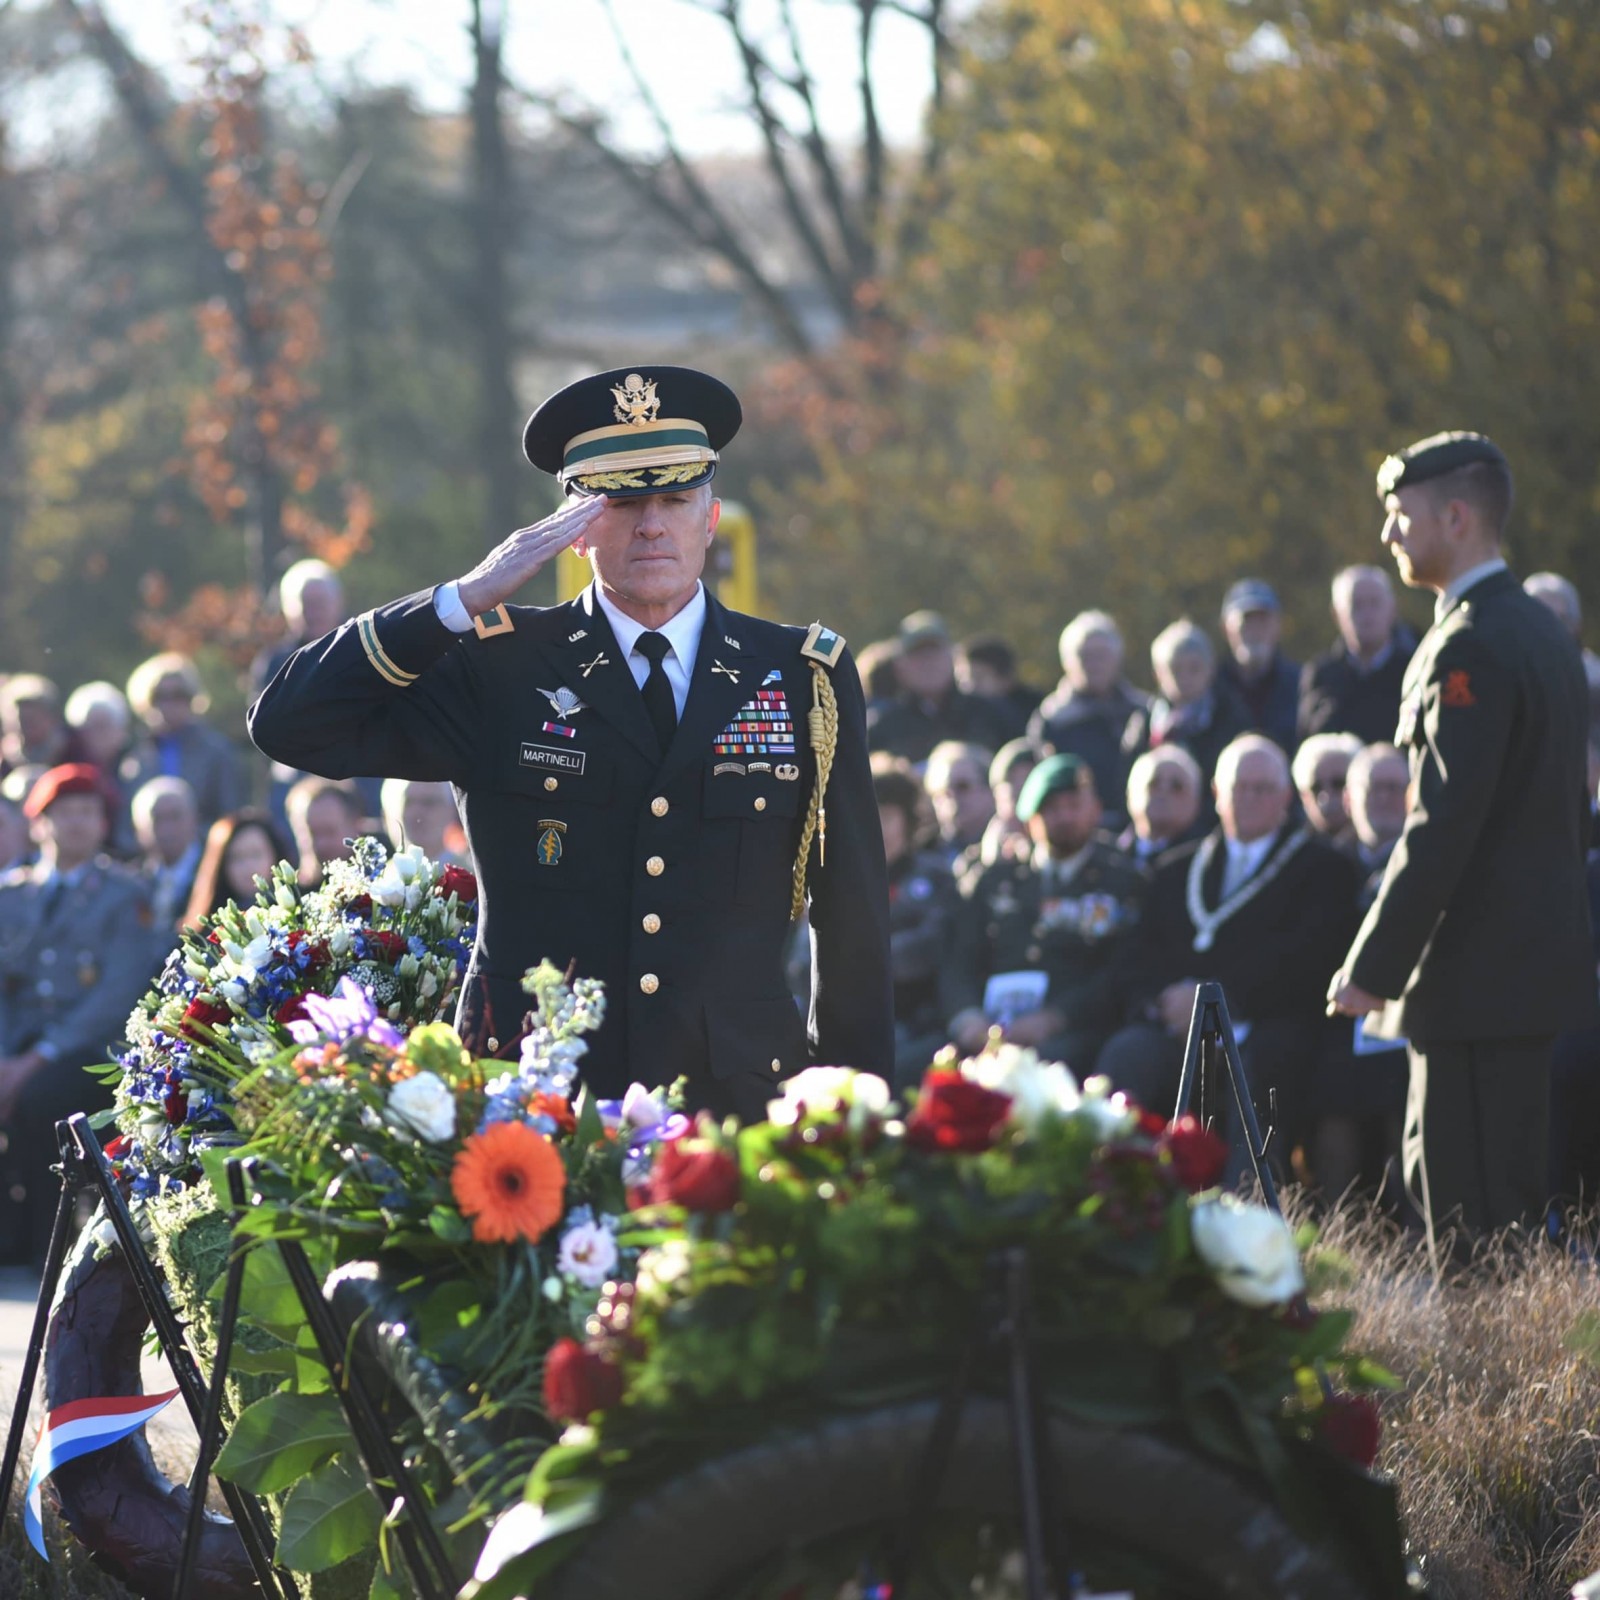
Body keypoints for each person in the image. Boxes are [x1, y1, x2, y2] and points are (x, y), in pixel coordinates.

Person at [250, 364, 892, 1117]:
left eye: (677, 499)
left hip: (737, 1103)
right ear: (577, 532)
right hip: (538, 1107)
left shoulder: (798, 674)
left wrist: (859, 1118)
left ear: (710, 521)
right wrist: (459, 601)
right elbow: (291, 721)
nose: (652, 523)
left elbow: (850, 917)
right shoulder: (501, 663)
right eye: (621, 503)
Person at [1329, 432, 1594, 1244]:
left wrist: (1371, 968)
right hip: (1525, 970)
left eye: (1400, 515)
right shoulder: (1542, 632)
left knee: (1463, 1212)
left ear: (1455, 516)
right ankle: (1513, 1370)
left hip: (1476, 979)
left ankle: (1485, 1376)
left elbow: (1443, 826)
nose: (1390, 535)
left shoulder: (1470, 642)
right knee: (1502, 1206)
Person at [1098, 735, 1359, 1169]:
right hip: (1176, 1027)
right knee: (1127, 1053)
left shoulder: (1323, 869)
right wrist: (1159, 1003)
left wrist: (1218, 1003)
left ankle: (1248, 1209)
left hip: (1266, 1023)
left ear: (1285, 797)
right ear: (1217, 795)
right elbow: (1138, 955)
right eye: (1240, 787)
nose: (1251, 798)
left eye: (1264, 788)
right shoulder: (1174, 869)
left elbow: (1311, 958)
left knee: (1263, 1065)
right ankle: (1122, 1192)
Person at [0, 765, 155, 1266]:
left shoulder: (125, 895)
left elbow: (114, 995)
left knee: (46, 1098)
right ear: (40, 822)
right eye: (64, 813)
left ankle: (47, 1243)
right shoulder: (12, 894)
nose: (77, 823)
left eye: (88, 812)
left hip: (88, 1052)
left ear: (105, 822)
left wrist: (31, 1062)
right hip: (15, 1044)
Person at [945, 753, 1149, 1074]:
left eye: (1074, 806)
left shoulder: (1121, 883)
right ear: (1030, 818)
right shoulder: (995, 879)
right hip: (987, 1029)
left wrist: (1056, 1018)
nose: (1064, 817)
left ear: (1095, 810)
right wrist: (966, 1016)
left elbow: (1118, 971)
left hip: (1071, 1032)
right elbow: (959, 959)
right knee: (921, 1065)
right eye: (1052, 809)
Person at [872, 756, 959, 1089]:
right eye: (870, 816)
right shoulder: (838, 884)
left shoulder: (935, 877)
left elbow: (933, 944)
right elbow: (801, 961)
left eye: (887, 816)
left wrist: (865, 962)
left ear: (909, 821)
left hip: (919, 1021)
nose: (878, 827)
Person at [1028, 610, 1150, 830]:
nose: (1094, 663)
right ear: (1067, 662)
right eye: (1085, 655)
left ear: (1117, 658)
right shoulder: (1052, 720)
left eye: (1102, 655)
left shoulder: (1143, 711)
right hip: (1074, 828)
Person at [1124, 620, 1250, 804]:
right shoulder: (1143, 723)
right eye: (1175, 669)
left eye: (1194, 668)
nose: (1184, 678)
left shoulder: (1230, 720)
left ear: (1210, 669)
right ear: (1158, 674)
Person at [867, 611, 1011, 766]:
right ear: (900, 665)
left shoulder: (991, 715)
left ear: (953, 656)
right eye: (918, 654)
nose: (928, 662)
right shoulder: (881, 727)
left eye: (935, 651)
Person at [122, 653, 247, 825]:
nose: (169, 705)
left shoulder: (217, 752)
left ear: (192, 699)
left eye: (178, 695)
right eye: (159, 696)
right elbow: (127, 823)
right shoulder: (135, 759)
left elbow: (229, 814)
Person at [1298, 566, 1417, 745]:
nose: (1367, 615)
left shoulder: (1413, 669)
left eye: (1375, 603)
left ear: (1393, 610)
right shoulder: (1321, 674)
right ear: (1337, 615)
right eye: (1356, 605)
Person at [1217, 580, 1300, 752]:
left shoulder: (1302, 685)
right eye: (1246, 621)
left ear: (1278, 626)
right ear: (1225, 628)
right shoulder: (1210, 689)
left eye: (1263, 621)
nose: (1255, 631)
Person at [183, 810, 292, 925]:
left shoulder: (301, 918)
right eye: (237, 857)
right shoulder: (206, 930)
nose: (248, 866)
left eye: (256, 854)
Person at [1524, 570, 1600, 733]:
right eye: (1537, 619)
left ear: (1576, 626)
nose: (1547, 630)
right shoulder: (1509, 679)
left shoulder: (1595, 682)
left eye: (1558, 620)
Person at [131, 776, 202, 931]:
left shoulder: (213, 874)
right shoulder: (131, 882)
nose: (167, 828)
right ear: (139, 828)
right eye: (157, 818)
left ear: (194, 820)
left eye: (175, 816)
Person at [1115, 745, 1204, 863]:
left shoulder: (1202, 862)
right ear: (1130, 794)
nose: (1163, 792)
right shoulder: (1105, 857)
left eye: (1176, 787)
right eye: (1153, 783)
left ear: (1196, 803)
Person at [956, 634, 1041, 744]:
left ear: (1005, 678)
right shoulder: (958, 713)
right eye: (960, 678)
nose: (968, 686)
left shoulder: (1037, 711)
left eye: (978, 678)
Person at [923, 739, 995, 870]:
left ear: (990, 791)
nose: (953, 798)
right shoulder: (922, 856)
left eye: (963, 787)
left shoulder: (1006, 847)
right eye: (942, 792)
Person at [285, 775, 365, 886]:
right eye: (311, 833)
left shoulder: (386, 877)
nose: (322, 844)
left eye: (329, 831)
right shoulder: (294, 895)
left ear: (354, 824)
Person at [1292, 732, 1363, 848]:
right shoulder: (1293, 853)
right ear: (1304, 797)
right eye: (1316, 788)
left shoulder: (1376, 855)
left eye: (1339, 784)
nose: (1326, 797)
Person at [0, 674, 79, 780]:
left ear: (52, 718)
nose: (24, 726)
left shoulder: (72, 752)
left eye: (32, 720)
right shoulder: (5, 759)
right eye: (21, 719)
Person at [380, 777, 465, 861]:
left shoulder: (472, 873)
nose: (416, 812)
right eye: (407, 802)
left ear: (452, 811)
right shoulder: (380, 873)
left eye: (428, 802)